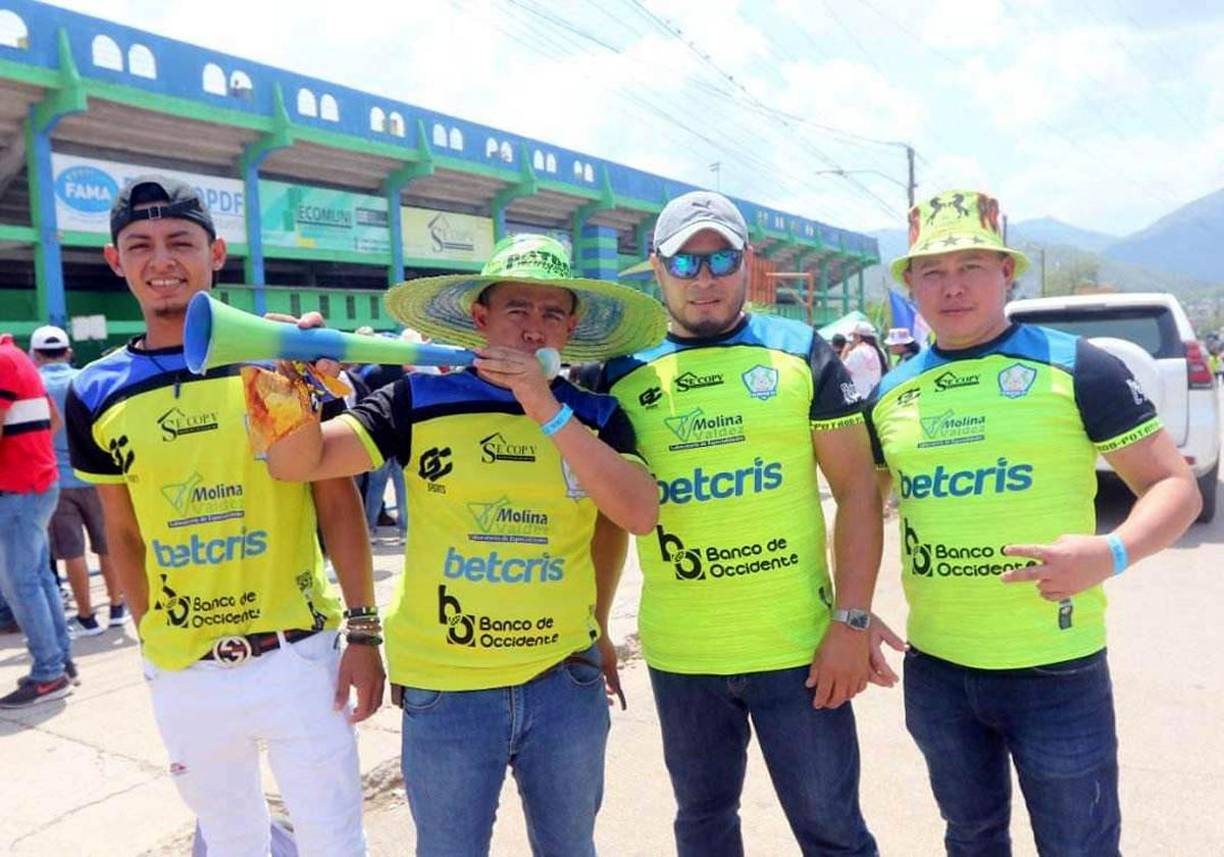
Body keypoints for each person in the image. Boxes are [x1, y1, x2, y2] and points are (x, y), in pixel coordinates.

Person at [262, 232, 667, 857]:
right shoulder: (415, 400)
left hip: (563, 683)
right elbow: (298, 463)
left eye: (551, 313)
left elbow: (638, 512)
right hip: (446, 693)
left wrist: (544, 405)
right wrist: (280, 382)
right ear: (481, 317)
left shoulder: (597, 413)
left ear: (571, 325)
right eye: (517, 309)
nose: (534, 328)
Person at [866, 189, 1202, 856]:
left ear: (1006, 272)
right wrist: (851, 608)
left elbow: (1176, 486)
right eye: (932, 271)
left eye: (972, 267)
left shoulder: (1079, 368)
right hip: (939, 672)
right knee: (971, 837)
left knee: (1078, 846)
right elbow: (858, 508)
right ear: (910, 285)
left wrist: (1110, 552)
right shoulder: (888, 394)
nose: (952, 286)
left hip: (1056, 670)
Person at [65, 176, 380, 856]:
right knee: (232, 843)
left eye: (181, 241)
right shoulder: (96, 388)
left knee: (335, 841)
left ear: (218, 252)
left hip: (299, 656)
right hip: (187, 671)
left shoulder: (272, 358)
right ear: (116, 261)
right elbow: (121, 530)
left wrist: (362, 631)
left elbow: (336, 498)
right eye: (140, 245)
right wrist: (155, 642)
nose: (162, 260)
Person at [600, 190, 885, 857]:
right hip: (683, 656)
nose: (705, 278)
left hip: (799, 652)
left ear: (747, 263)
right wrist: (596, 624)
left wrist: (853, 620)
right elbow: (610, 515)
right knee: (703, 825)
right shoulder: (619, 369)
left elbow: (858, 492)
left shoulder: (802, 351)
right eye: (686, 261)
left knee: (834, 833)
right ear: (657, 266)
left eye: (721, 257)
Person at [30, 324, 126, 638]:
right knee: (106, 544)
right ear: (68, 351)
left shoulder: (35, 383)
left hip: (58, 481)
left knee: (71, 552)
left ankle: (86, 617)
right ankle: (116, 607)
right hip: (96, 476)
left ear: (35, 355)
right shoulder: (85, 379)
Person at [0, 331, 72, 708]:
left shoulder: (2, 362)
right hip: (38, 483)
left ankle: (49, 674)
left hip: (17, 489)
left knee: (20, 583)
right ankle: (61, 662)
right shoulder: (19, 361)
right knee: (39, 579)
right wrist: (31, 450)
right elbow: (54, 420)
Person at [842, 320, 889, 399]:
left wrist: (845, 351)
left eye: (854, 337)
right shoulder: (880, 351)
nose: (852, 340)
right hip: (876, 394)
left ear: (859, 337)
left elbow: (842, 371)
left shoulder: (857, 352)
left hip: (860, 396)